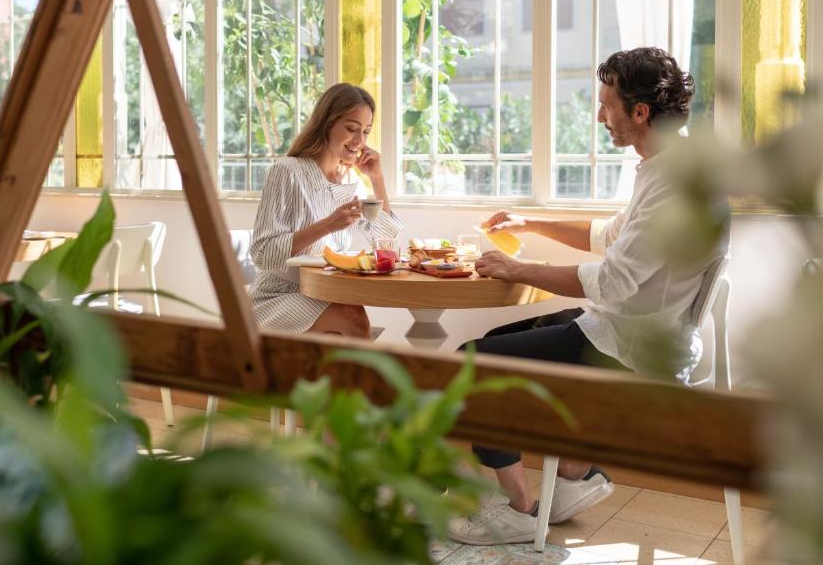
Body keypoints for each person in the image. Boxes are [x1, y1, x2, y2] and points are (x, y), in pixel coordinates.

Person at [449, 47, 727, 545]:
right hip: (629, 329)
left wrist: (516, 267)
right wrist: (531, 221)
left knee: (473, 363)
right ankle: (576, 475)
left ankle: (520, 510)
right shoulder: (670, 167)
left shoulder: (675, 184)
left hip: (627, 347)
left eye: (606, 104)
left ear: (639, 112)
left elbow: (614, 280)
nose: (600, 116)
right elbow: (610, 235)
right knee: (496, 339)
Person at [248, 83, 402, 338]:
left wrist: (377, 179)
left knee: (350, 319)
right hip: (277, 297)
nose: (359, 141)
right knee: (353, 319)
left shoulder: (349, 180)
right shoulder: (286, 171)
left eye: (365, 131)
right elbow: (262, 253)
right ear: (327, 123)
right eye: (351, 129)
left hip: (326, 293)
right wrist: (328, 225)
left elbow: (389, 244)